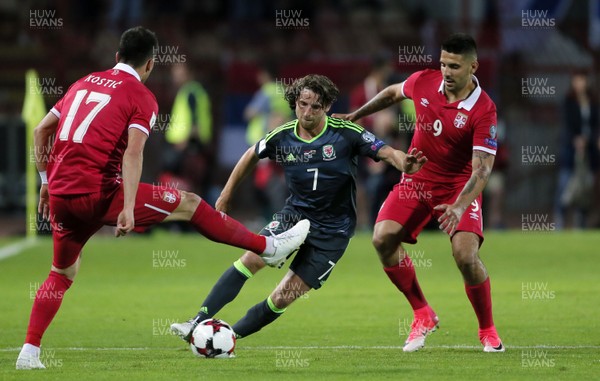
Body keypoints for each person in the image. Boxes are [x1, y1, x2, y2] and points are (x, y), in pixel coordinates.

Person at [16, 26, 309, 370]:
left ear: (116, 57)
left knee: (62, 272)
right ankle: (268, 248)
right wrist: (126, 207)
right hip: (100, 191)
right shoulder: (141, 96)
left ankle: (29, 353)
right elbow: (133, 153)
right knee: (190, 203)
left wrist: (45, 182)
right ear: (151, 64)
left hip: (63, 194)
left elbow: (40, 130)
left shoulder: (83, 82)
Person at [170, 74, 427, 342]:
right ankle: (197, 321)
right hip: (294, 216)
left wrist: (404, 163)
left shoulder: (345, 132)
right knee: (251, 258)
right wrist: (225, 194)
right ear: (295, 102)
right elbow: (250, 154)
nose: (307, 112)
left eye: (315, 106)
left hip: (333, 231)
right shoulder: (283, 136)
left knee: (283, 296)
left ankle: (226, 339)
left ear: (327, 106)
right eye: (302, 104)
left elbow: (386, 151)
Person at [333, 33, 504, 352]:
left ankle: (487, 330)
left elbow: (482, 170)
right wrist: (356, 116)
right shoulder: (425, 81)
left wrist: (459, 205)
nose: (447, 72)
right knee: (382, 238)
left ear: (473, 67)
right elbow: (392, 93)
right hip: (417, 181)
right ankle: (422, 313)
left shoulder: (484, 110)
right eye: (443, 64)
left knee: (466, 257)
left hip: (458, 188)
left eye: (454, 65)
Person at [555, 71, 599, 229]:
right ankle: (560, 220)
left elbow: (595, 125)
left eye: (582, 80)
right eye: (577, 80)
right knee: (565, 185)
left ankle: (580, 223)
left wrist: (592, 139)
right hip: (571, 150)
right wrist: (576, 139)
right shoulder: (568, 101)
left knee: (586, 187)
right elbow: (567, 125)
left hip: (590, 151)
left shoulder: (593, 102)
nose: (580, 83)